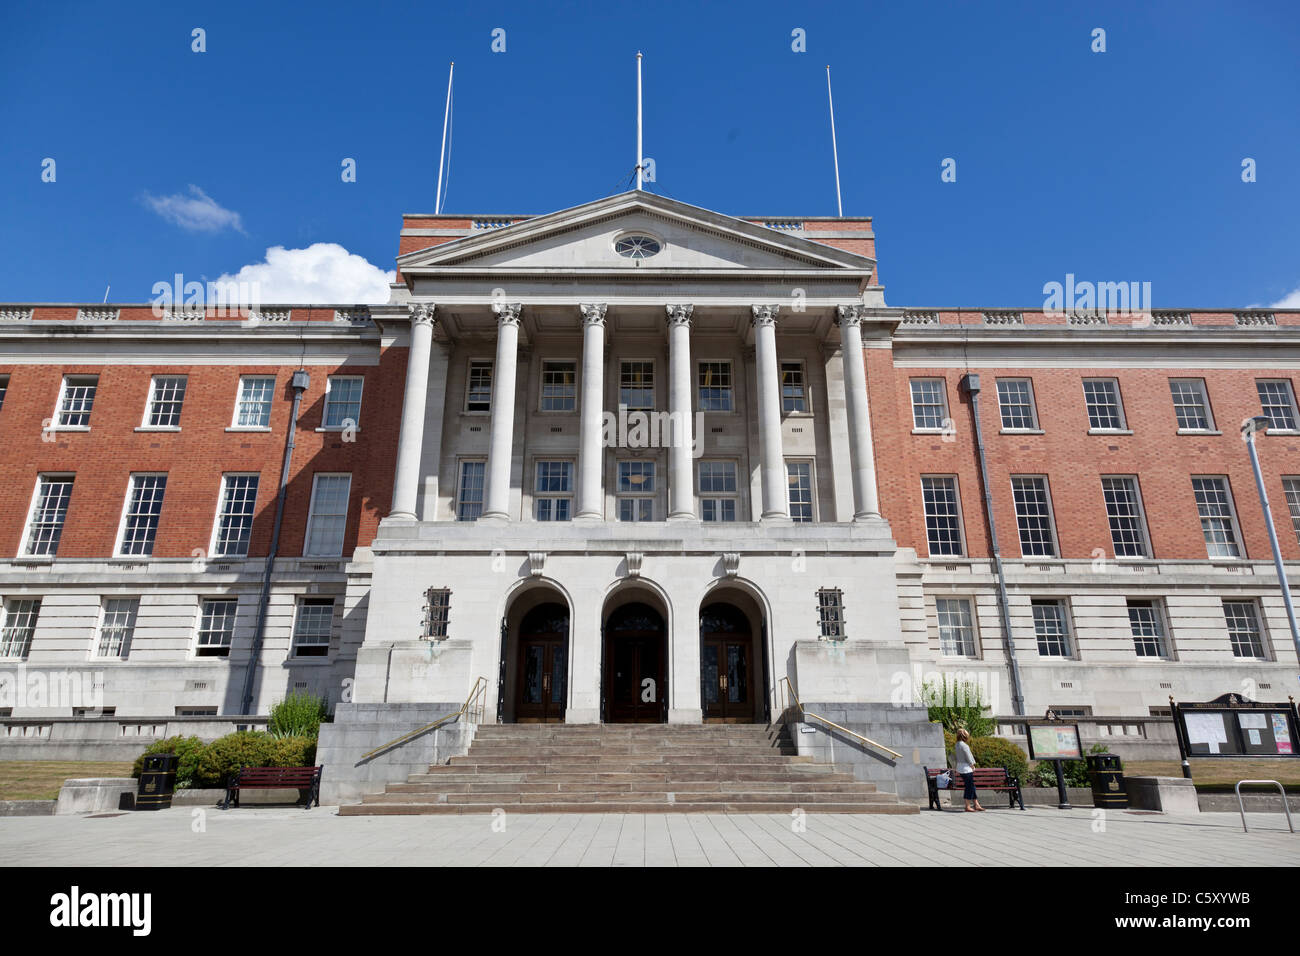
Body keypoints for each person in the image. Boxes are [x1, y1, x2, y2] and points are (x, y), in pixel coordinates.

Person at [954, 729, 984, 812]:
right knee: (969, 787)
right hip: (966, 769)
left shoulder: (957, 745)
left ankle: (976, 804)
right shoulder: (964, 746)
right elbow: (968, 757)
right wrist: (972, 765)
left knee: (971, 786)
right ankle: (967, 806)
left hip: (960, 767)